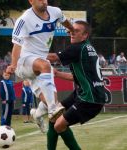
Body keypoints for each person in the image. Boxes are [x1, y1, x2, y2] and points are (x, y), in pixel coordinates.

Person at [6, 0, 75, 120]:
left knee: (51, 101)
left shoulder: (55, 12)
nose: (44, 1)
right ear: (31, 1)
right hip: (23, 62)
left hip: (40, 63)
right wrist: (13, 65)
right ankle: (52, 109)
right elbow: (16, 45)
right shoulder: (24, 20)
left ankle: (37, 114)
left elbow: (65, 22)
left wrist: (72, 30)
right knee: (54, 107)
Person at [47, 20, 106, 149]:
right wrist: (57, 74)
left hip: (89, 99)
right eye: (71, 30)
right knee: (53, 115)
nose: (72, 33)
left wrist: (29, 55)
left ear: (85, 36)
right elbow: (79, 77)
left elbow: (53, 57)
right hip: (84, 93)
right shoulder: (87, 47)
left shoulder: (77, 48)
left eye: (76, 31)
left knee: (59, 125)